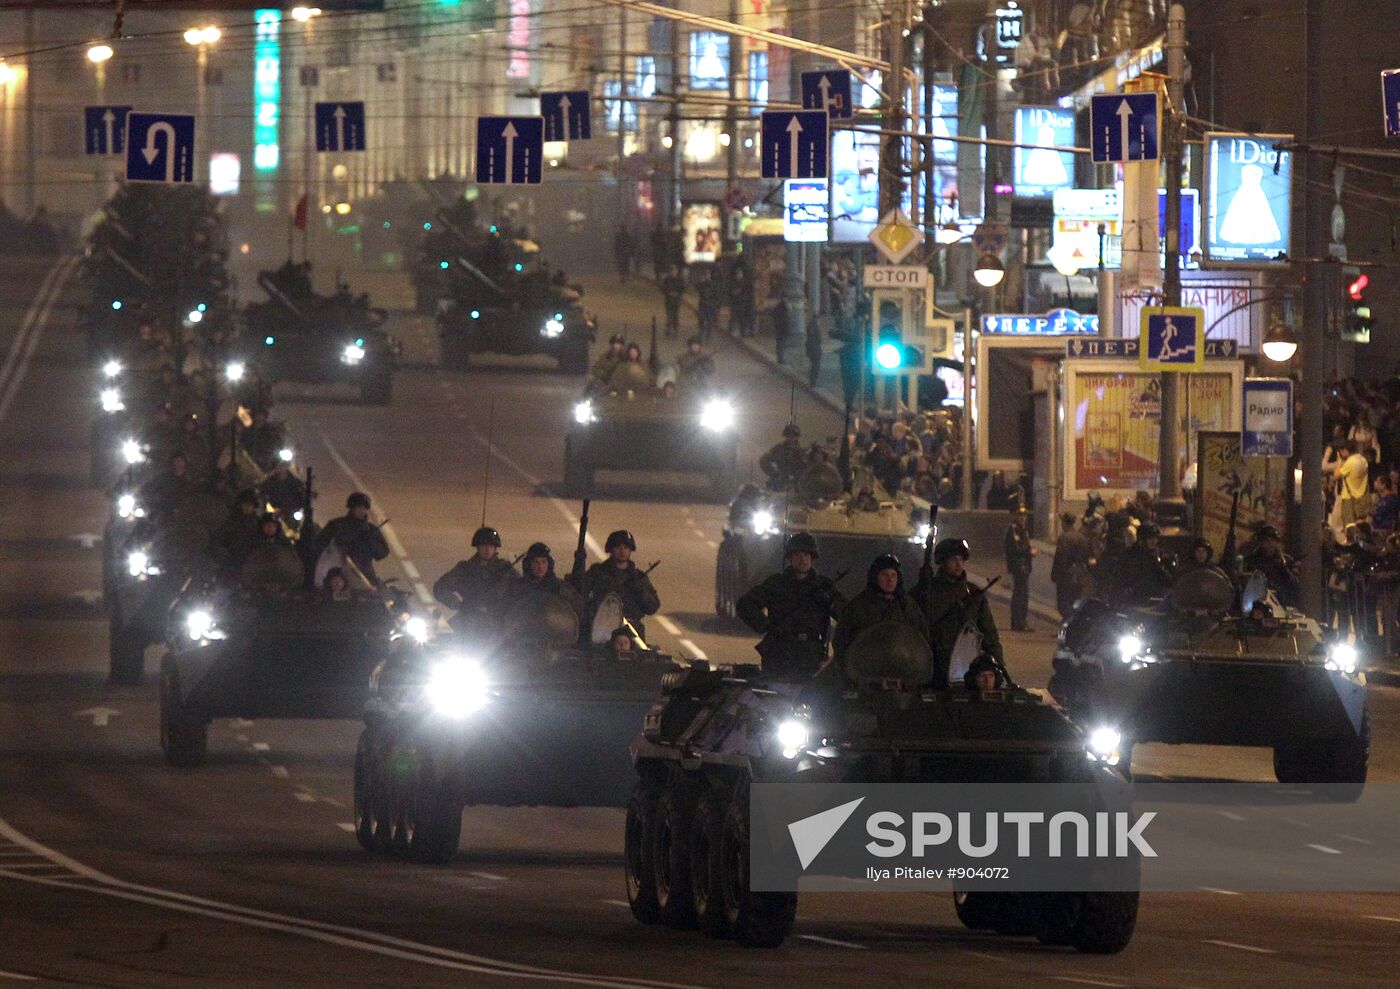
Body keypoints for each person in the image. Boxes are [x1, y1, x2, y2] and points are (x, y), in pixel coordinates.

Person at [736, 532, 847, 678]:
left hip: (811, 654)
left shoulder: (824, 586)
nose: (802, 559)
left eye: (806, 555)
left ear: (812, 559)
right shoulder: (776, 584)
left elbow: (847, 614)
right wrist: (765, 625)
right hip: (779, 652)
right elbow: (745, 604)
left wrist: (831, 602)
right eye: (798, 555)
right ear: (790, 558)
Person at [913, 538, 1004, 688]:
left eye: (961, 559)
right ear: (943, 562)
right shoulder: (927, 593)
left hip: (967, 668)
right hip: (934, 667)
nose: (958, 564)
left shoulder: (973, 594)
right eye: (954, 559)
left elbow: (989, 634)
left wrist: (998, 666)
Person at [831, 554, 929, 664]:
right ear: (875, 577)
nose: (890, 580)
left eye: (893, 575)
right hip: (867, 672)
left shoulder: (908, 607)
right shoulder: (858, 606)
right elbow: (842, 642)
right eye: (884, 575)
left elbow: (921, 639)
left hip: (902, 670)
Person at [432, 526, 518, 632]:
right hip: (470, 624)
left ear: (495, 548)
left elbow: (521, 590)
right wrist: (458, 605)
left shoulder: (505, 570)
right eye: (483, 545)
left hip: (498, 625)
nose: (487, 549)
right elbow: (440, 588)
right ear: (478, 547)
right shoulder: (465, 569)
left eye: (490, 546)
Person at [582, 530, 661, 641]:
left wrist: (641, 591)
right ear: (611, 549)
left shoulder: (638, 577)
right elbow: (581, 595)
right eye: (618, 547)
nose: (622, 551)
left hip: (632, 632)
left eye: (626, 547)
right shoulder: (598, 573)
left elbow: (652, 607)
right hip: (602, 629)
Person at [315, 492, 390, 586]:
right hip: (338, 575)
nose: (362, 511)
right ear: (351, 507)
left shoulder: (370, 529)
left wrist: (370, 541)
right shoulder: (336, 525)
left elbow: (382, 554)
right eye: (359, 507)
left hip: (364, 576)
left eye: (365, 508)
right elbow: (320, 545)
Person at [1110, 521, 1173, 607]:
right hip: (1132, 602)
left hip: (1153, 601)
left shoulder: (1157, 555)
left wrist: (1158, 563)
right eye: (1150, 538)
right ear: (1143, 539)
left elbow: (1167, 580)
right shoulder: (1129, 555)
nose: (1154, 541)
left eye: (1155, 538)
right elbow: (1118, 578)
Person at [518, 541, 583, 616]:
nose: (540, 567)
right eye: (536, 562)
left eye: (543, 562)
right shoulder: (519, 587)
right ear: (528, 564)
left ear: (549, 564)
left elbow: (579, 608)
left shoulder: (560, 587)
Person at [1243, 524, 1301, 607]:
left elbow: (1295, 585)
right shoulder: (1252, 560)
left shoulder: (1286, 560)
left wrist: (1283, 568)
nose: (1270, 544)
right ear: (1261, 542)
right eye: (1266, 540)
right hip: (1258, 603)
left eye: (1273, 540)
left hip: (1281, 603)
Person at [1051, 512, 1092, 619]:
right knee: (1075, 602)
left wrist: (1055, 574)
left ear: (1064, 523)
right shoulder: (1081, 537)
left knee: (1064, 604)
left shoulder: (1064, 538)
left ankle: (1066, 628)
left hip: (1067, 575)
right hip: (1079, 574)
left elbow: (1061, 558)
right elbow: (1087, 556)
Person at [1003, 507, 1036, 631]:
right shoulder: (1013, 530)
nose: (1023, 518)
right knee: (1020, 594)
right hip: (1018, 566)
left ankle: (1021, 620)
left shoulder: (1023, 530)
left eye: (1025, 516)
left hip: (1024, 566)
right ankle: (1018, 621)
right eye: (1020, 515)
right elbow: (1015, 549)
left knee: (1022, 594)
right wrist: (1029, 552)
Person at [212, 488, 261, 569]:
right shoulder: (232, 518)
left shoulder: (257, 522)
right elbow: (220, 537)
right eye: (245, 504)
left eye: (250, 505)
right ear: (241, 504)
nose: (247, 507)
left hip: (247, 560)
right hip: (229, 558)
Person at [759, 423, 805, 491]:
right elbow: (764, 460)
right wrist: (774, 473)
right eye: (789, 435)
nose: (791, 437)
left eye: (793, 435)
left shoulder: (802, 452)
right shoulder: (779, 449)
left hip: (798, 485)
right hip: (781, 483)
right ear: (785, 436)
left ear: (796, 436)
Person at [660, 268, 684, 338]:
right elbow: (662, 289)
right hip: (668, 300)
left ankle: (675, 330)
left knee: (675, 315)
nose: (673, 272)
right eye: (671, 271)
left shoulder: (680, 280)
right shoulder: (666, 280)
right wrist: (668, 293)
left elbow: (682, 289)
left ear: (676, 271)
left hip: (676, 300)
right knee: (669, 315)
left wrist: (678, 294)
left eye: (674, 271)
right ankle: (668, 329)